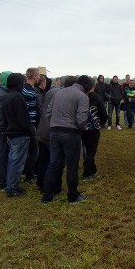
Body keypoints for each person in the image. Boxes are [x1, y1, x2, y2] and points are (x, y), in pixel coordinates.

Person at [41, 75, 92, 204]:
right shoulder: (82, 96)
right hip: (71, 133)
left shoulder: (59, 92)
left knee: (54, 164)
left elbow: (48, 113)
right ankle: (73, 196)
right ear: (86, 87)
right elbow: (81, 120)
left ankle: (47, 196)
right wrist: (84, 127)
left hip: (54, 132)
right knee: (72, 166)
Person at [2, 72, 33, 198]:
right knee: (17, 162)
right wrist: (29, 130)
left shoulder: (8, 96)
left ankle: (11, 185)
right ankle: (12, 188)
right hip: (19, 134)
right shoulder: (18, 97)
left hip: (11, 132)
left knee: (13, 160)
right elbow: (23, 118)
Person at [82, 81, 107, 180]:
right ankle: (87, 174)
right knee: (91, 151)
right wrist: (102, 122)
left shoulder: (81, 96)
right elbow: (103, 113)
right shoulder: (96, 97)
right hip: (93, 129)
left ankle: (93, 170)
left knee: (86, 150)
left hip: (82, 128)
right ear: (93, 86)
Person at [21, 67, 41, 183]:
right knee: (34, 150)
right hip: (30, 123)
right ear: (34, 77)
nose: (39, 77)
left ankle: (26, 172)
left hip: (29, 123)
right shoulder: (29, 92)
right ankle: (29, 175)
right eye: (38, 76)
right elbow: (28, 110)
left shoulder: (25, 89)